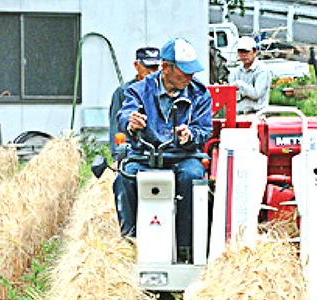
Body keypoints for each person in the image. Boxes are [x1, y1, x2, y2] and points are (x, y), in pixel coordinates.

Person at [114, 37, 212, 262]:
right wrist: (132, 121)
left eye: (192, 72)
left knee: (193, 177)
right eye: (184, 72)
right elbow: (124, 114)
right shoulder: (139, 90)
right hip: (145, 154)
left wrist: (190, 135)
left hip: (183, 155)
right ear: (166, 68)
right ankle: (130, 243)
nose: (190, 77)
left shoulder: (200, 93)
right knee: (124, 178)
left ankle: (187, 247)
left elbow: (204, 129)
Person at [108, 47, 162, 160]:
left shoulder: (164, 91)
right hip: (133, 149)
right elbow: (116, 127)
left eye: (155, 67)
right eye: (147, 67)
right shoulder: (123, 92)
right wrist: (117, 156)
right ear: (136, 66)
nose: (152, 72)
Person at [229, 36, 272, 114]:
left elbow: (256, 94)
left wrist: (240, 85)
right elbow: (231, 94)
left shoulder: (262, 69)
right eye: (241, 52)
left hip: (257, 113)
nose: (244, 55)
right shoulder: (236, 70)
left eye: (247, 51)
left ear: (255, 51)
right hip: (238, 112)